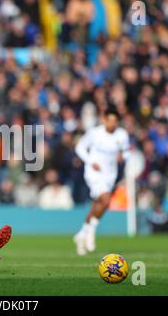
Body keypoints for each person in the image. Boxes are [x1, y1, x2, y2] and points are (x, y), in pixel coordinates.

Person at [73, 107, 130, 256]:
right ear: (104, 119)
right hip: (94, 172)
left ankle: (81, 234)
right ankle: (91, 231)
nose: (111, 124)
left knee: (99, 204)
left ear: (117, 122)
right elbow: (80, 147)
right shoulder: (95, 133)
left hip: (110, 174)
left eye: (114, 121)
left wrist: (124, 157)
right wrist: (90, 161)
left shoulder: (122, 135)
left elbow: (127, 151)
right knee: (106, 200)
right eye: (109, 120)